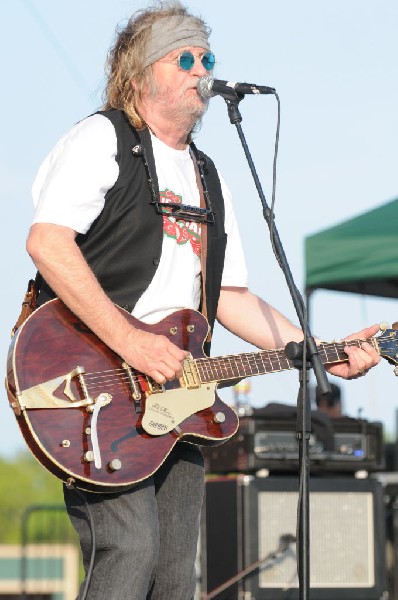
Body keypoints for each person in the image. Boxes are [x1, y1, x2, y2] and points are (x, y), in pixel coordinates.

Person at [25, 2, 381, 598]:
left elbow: (228, 297)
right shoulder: (102, 139)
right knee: (128, 546)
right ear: (141, 74)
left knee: (172, 570)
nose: (201, 70)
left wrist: (321, 350)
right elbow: (48, 243)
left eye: (207, 58)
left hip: (181, 392)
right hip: (92, 378)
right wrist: (132, 341)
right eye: (183, 58)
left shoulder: (208, 175)